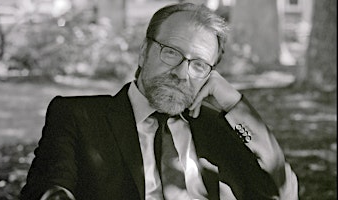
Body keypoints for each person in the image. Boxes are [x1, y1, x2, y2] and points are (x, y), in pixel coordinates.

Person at [20, 3, 298, 200]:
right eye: (171, 52)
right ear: (144, 53)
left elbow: (280, 191)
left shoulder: (220, 125)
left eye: (198, 65)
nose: (181, 73)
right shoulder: (79, 117)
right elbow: (47, 188)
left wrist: (235, 104)